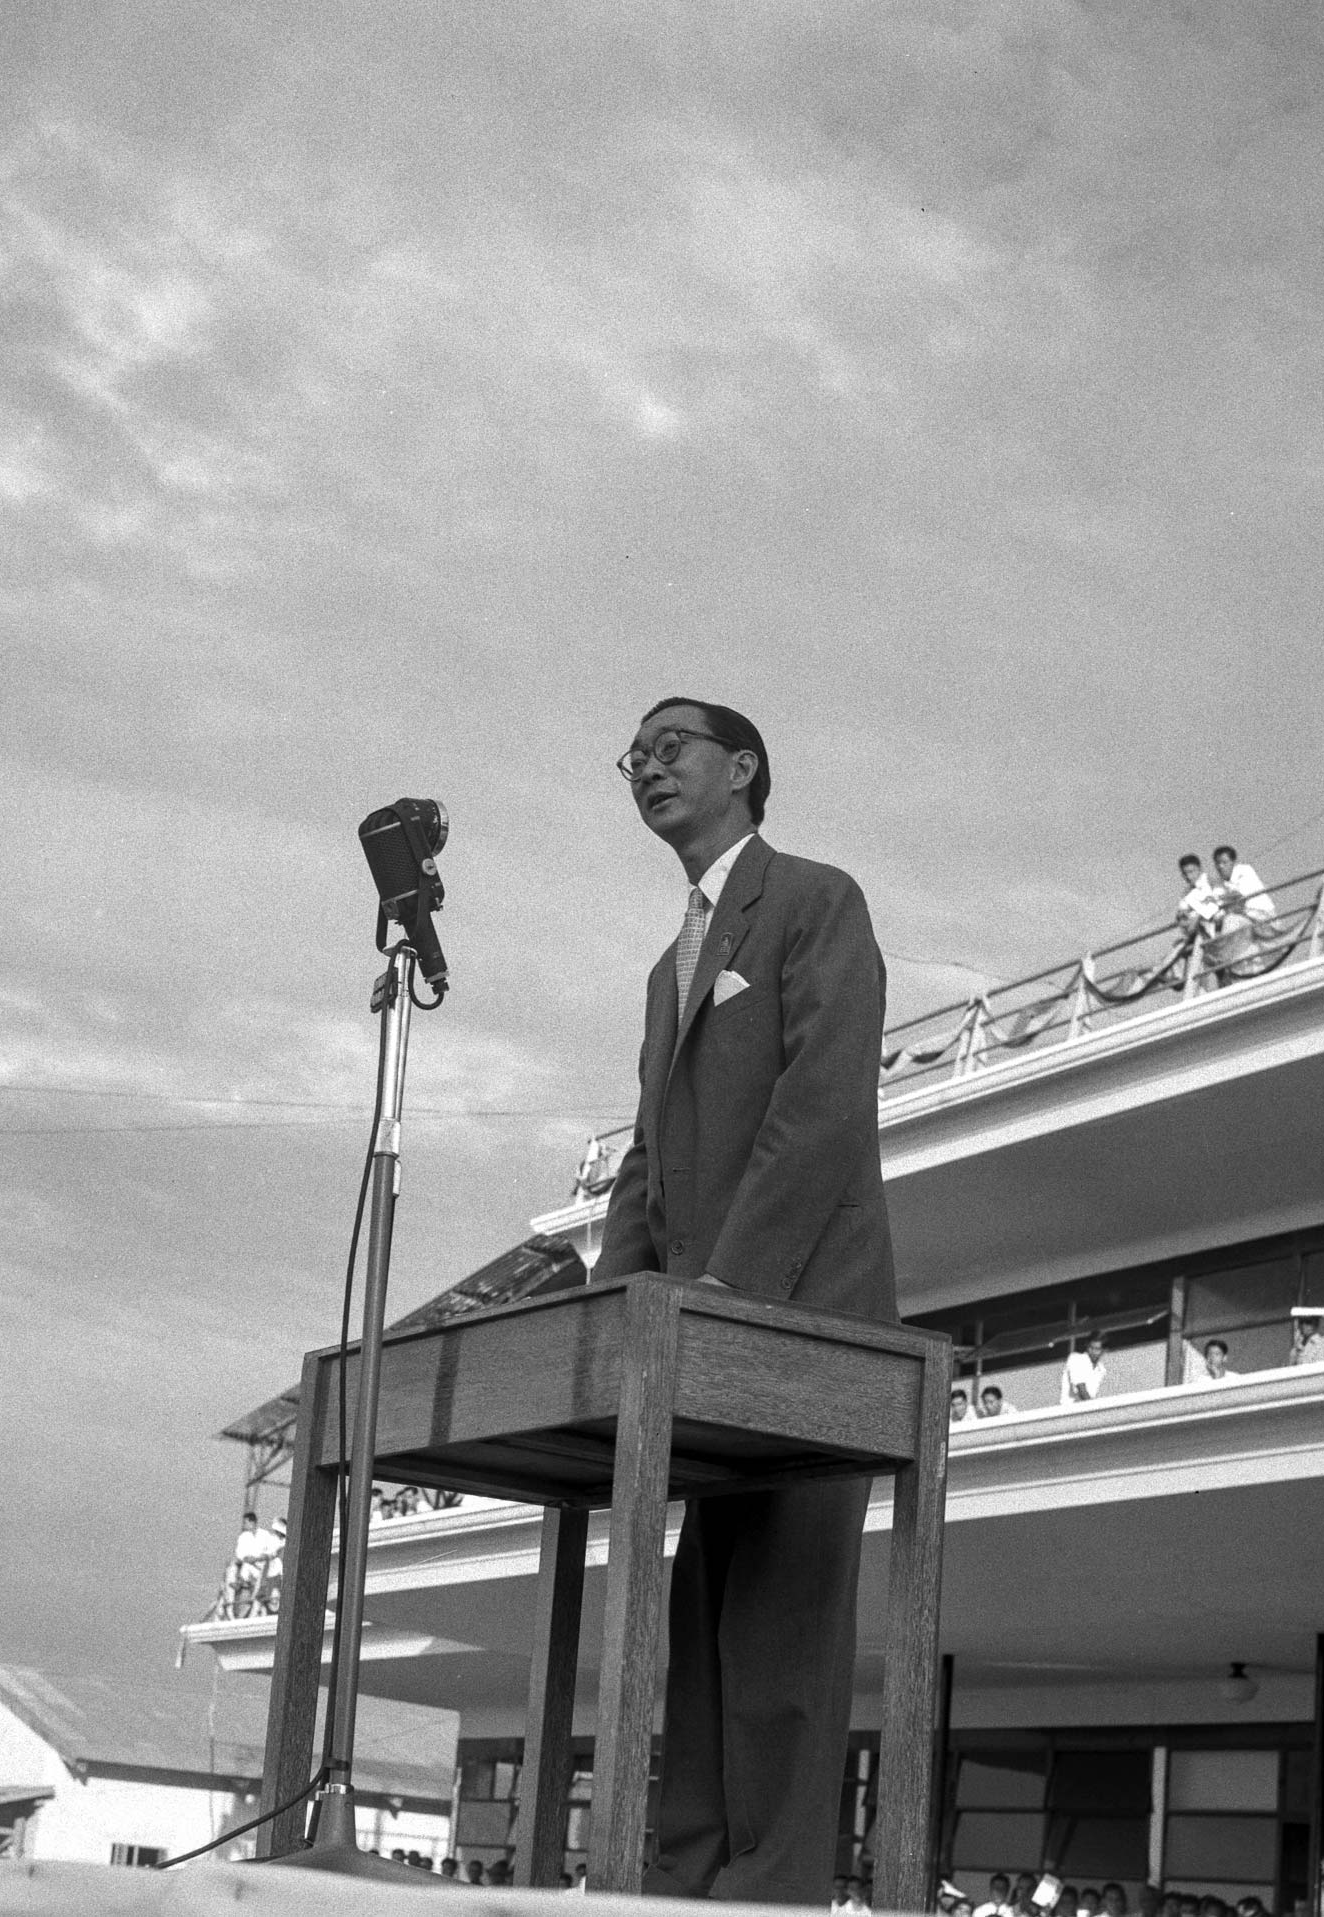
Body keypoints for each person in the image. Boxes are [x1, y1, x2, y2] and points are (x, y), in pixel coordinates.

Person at [593, 698, 897, 1904]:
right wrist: (612, 1314)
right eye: (633, 757)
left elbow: (820, 1107)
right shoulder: (670, 965)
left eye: (672, 746)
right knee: (704, 1619)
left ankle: (768, 1893)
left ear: (744, 767)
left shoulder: (816, 900)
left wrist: (728, 1289)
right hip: (699, 1340)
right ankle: (688, 1878)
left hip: (800, 1317)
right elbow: (645, 1160)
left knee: (781, 1629)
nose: (647, 767)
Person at [1061, 1331, 1108, 1404]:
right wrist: (1094, 1408)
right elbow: (1081, 1390)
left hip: (1086, 1410)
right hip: (1069, 1411)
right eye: (1091, 1347)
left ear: (1103, 1351)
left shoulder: (1101, 1369)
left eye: (1097, 1349)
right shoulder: (1076, 1359)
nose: (1093, 1351)